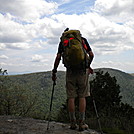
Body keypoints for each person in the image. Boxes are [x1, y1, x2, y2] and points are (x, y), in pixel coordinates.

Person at [52, 28, 94, 131]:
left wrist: (54, 71)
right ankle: (82, 123)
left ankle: (72, 123)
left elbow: (58, 57)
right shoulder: (83, 40)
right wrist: (88, 65)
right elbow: (91, 54)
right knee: (82, 96)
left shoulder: (64, 42)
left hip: (70, 71)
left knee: (71, 97)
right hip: (82, 72)